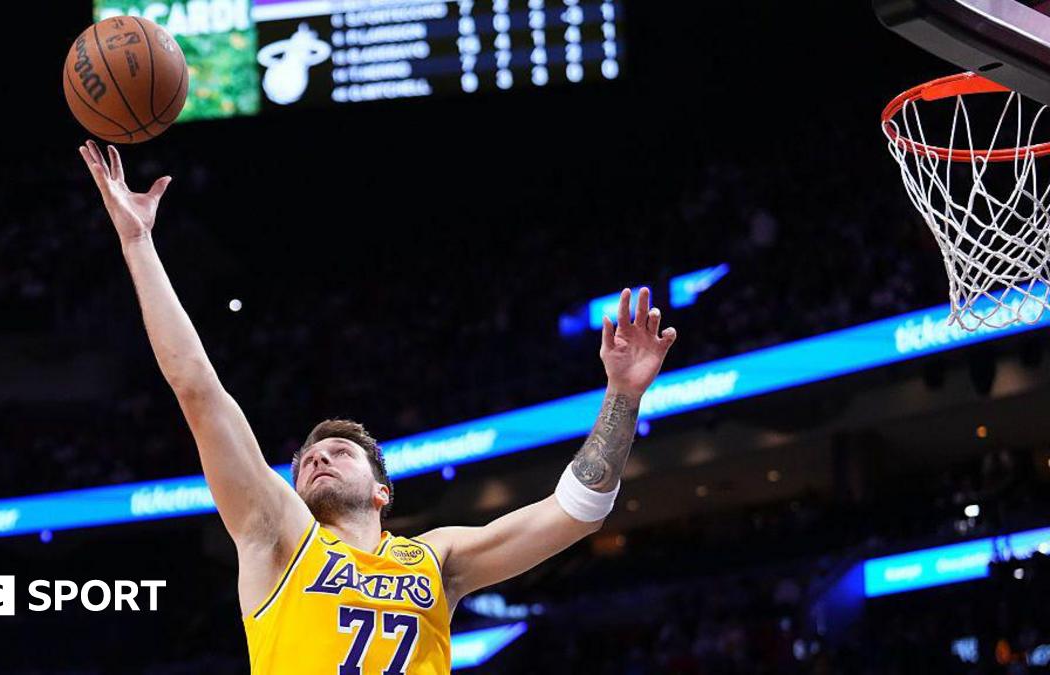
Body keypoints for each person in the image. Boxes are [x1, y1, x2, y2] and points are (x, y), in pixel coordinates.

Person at [78, 140, 678, 673]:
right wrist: (138, 241)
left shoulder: (437, 559)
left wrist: (622, 395)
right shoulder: (277, 533)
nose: (317, 459)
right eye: (307, 458)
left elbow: (579, 511)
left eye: (339, 452)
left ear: (382, 491)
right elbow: (198, 388)